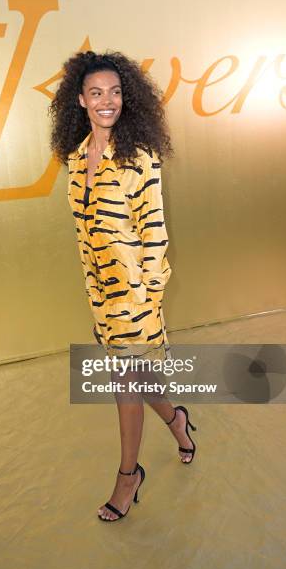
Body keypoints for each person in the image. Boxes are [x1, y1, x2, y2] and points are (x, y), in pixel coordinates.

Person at [50, 50, 197, 521]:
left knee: (123, 382)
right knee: (139, 378)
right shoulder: (76, 158)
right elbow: (84, 233)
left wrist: (145, 300)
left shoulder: (140, 158)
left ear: (125, 98)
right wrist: (98, 290)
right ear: (81, 100)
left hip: (135, 295)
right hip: (100, 293)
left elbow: (154, 232)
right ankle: (178, 423)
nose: (107, 101)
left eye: (115, 92)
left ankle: (127, 477)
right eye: (97, 93)